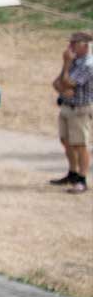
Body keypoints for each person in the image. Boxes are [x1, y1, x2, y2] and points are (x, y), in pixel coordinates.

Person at [51, 30, 92, 192]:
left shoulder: (88, 65)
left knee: (80, 144)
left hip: (80, 109)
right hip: (67, 106)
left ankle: (82, 179)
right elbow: (57, 83)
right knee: (66, 141)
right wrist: (63, 88)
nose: (70, 47)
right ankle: (72, 173)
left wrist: (66, 66)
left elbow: (68, 83)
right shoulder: (75, 62)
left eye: (74, 43)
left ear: (85, 46)